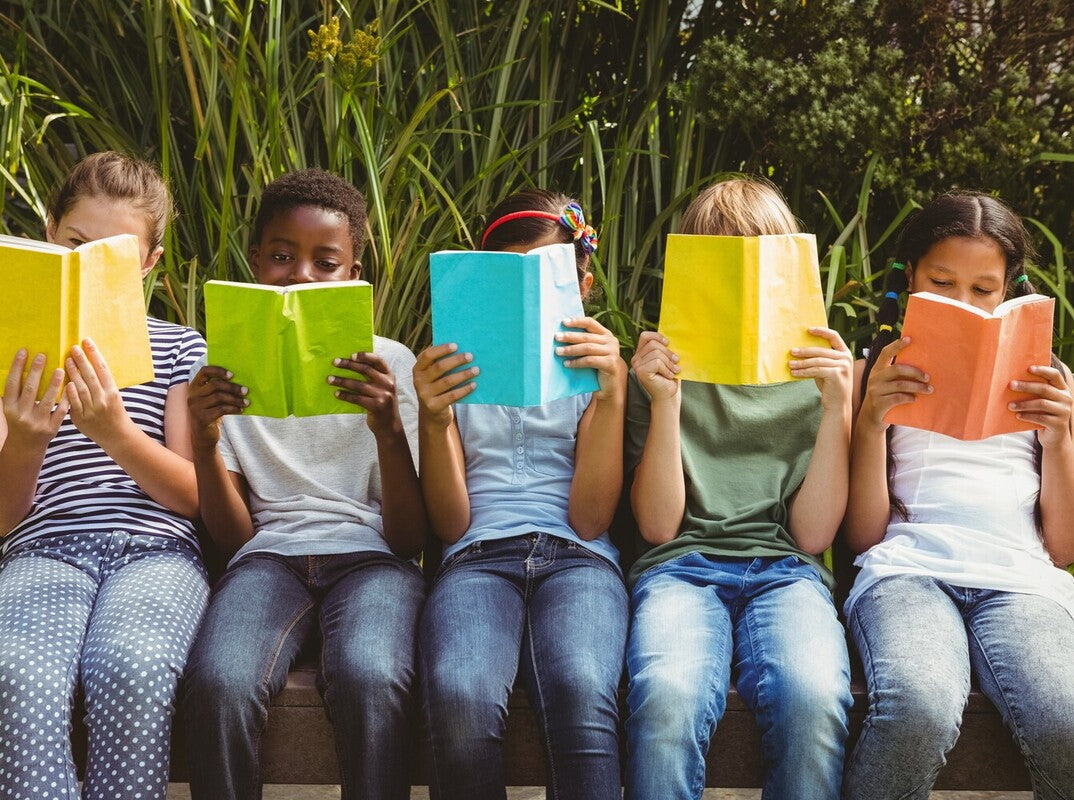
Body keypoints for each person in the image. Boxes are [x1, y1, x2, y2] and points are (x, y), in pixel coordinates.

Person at [182, 168, 427, 800]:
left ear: (353, 274)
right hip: (267, 559)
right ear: (256, 261)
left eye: (326, 262)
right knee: (221, 681)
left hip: (372, 560)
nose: (301, 276)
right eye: (283, 257)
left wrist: (386, 428)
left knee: (372, 676)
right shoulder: (219, 369)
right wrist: (206, 443)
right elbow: (236, 537)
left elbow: (407, 537)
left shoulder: (390, 363)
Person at [624, 177, 854, 800]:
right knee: (667, 696)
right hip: (680, 568)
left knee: (814, 697)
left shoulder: (817, 374)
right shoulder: (659, 368)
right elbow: (657, 528)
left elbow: (811, 535)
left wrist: (837, 409)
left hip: (787, 570)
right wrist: (666, 403)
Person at [842, 192, 1074, 800]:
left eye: (983, 290)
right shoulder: (877, 370)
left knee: (1066, 719)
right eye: (941, 284)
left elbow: (1063, 545)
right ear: (911, 278)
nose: (962, 304)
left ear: (1010, 293)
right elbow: (864, 536)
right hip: (908, 572)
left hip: (1021, 579)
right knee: (916, 708)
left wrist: (1060, 439)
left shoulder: (1049, 381)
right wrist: (871, 421)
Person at [0, 151, 208, 800]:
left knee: (133, 664)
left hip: (156, 552)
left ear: (147, 262)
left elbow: (193, 495)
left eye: (114, 253)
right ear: (49, 233)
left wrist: (114, 432)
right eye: (76, 243)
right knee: (15, 671)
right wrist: (30, 440)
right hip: (42, 548)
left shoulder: (179, 347)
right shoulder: (10, 351)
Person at [414, 189, 628, 800]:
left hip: (579, 557)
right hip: (476, 557)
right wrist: (434, 421)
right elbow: (451, 524)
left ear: (581, 283)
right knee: (459, 695)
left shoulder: (599, 376)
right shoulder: (452, 373)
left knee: (582, 687)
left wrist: (612, 396)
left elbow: (590, 520)